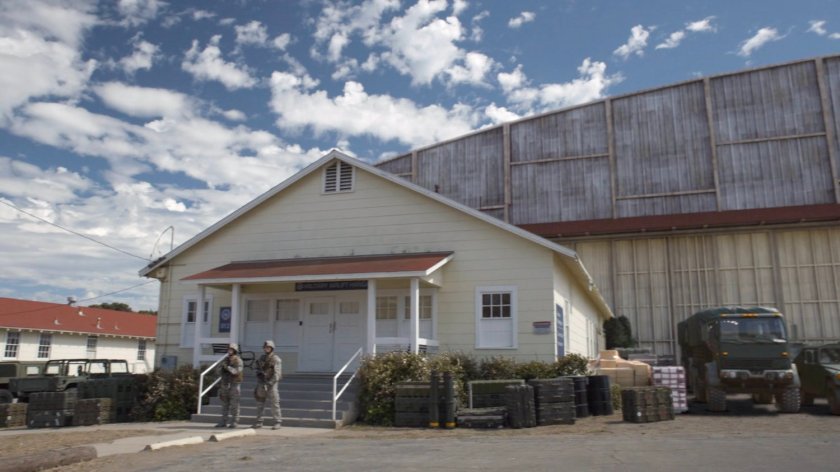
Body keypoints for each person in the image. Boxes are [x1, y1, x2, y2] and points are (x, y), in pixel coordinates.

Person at [253, 339, 282, 429]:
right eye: (265, 347)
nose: (267, 349)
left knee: (274, 403)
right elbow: (256, 369)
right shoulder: (261, 358)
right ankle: (259, 421)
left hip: (271, 384)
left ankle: (277, 421)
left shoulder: (276, 359)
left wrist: (270, 382)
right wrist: (259, 374)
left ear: (272, 348)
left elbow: (277, 374)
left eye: (268, 347)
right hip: (262, 383)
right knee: (260, 403)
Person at [215, 343, 243, 428]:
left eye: (231, 350)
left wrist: (228, 368)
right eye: (229, 350)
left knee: (234, 404)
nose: (229, 351)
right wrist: (222, 369)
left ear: (235, 351)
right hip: (225, 384)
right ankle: (223, 421)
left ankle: (235, 421)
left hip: (234, 384)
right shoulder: (225, 360)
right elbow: (217, 371)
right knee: (224, 404)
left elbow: (237, 371)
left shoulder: (238, 360)